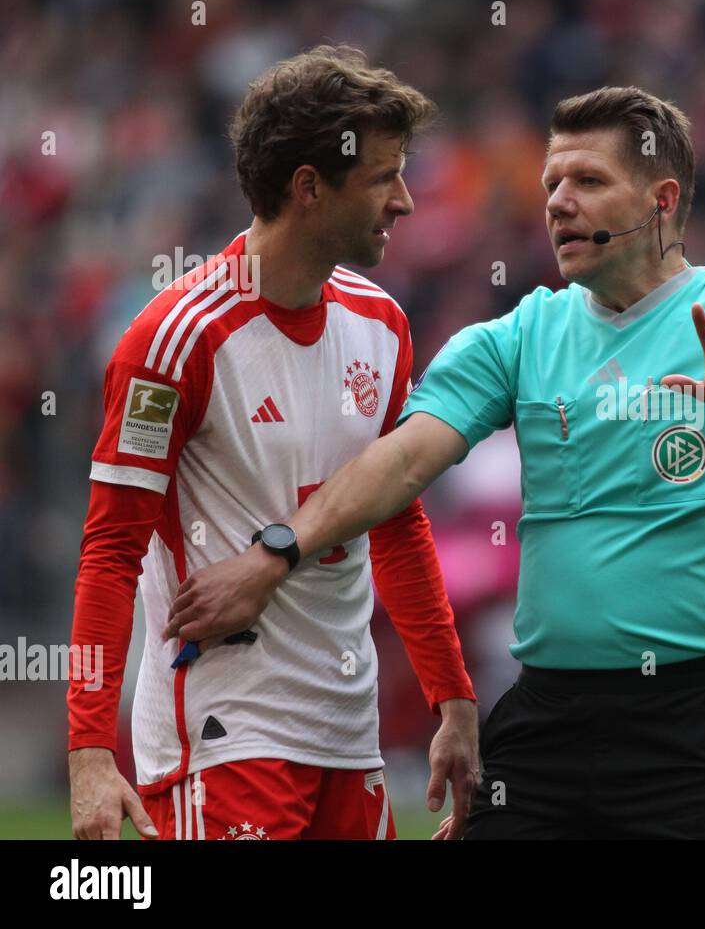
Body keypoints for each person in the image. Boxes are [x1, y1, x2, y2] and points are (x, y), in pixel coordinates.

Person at [165, 85, 705, 839]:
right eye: (551, 183)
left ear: (661, 199)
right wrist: (275, 552)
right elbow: (402, 463)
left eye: (587, 182)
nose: (557, 202)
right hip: (548, 713)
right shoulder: (520, 334)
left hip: (699, 721)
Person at [68, 45, 479, 841]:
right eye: (385, 177)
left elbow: (396, 522)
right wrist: (89, 751)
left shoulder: (383, 325)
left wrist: (452, 700)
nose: (405, 201)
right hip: (224, 739)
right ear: (309, 188)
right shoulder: (173, 340)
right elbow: (110, 550)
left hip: (347, 736)